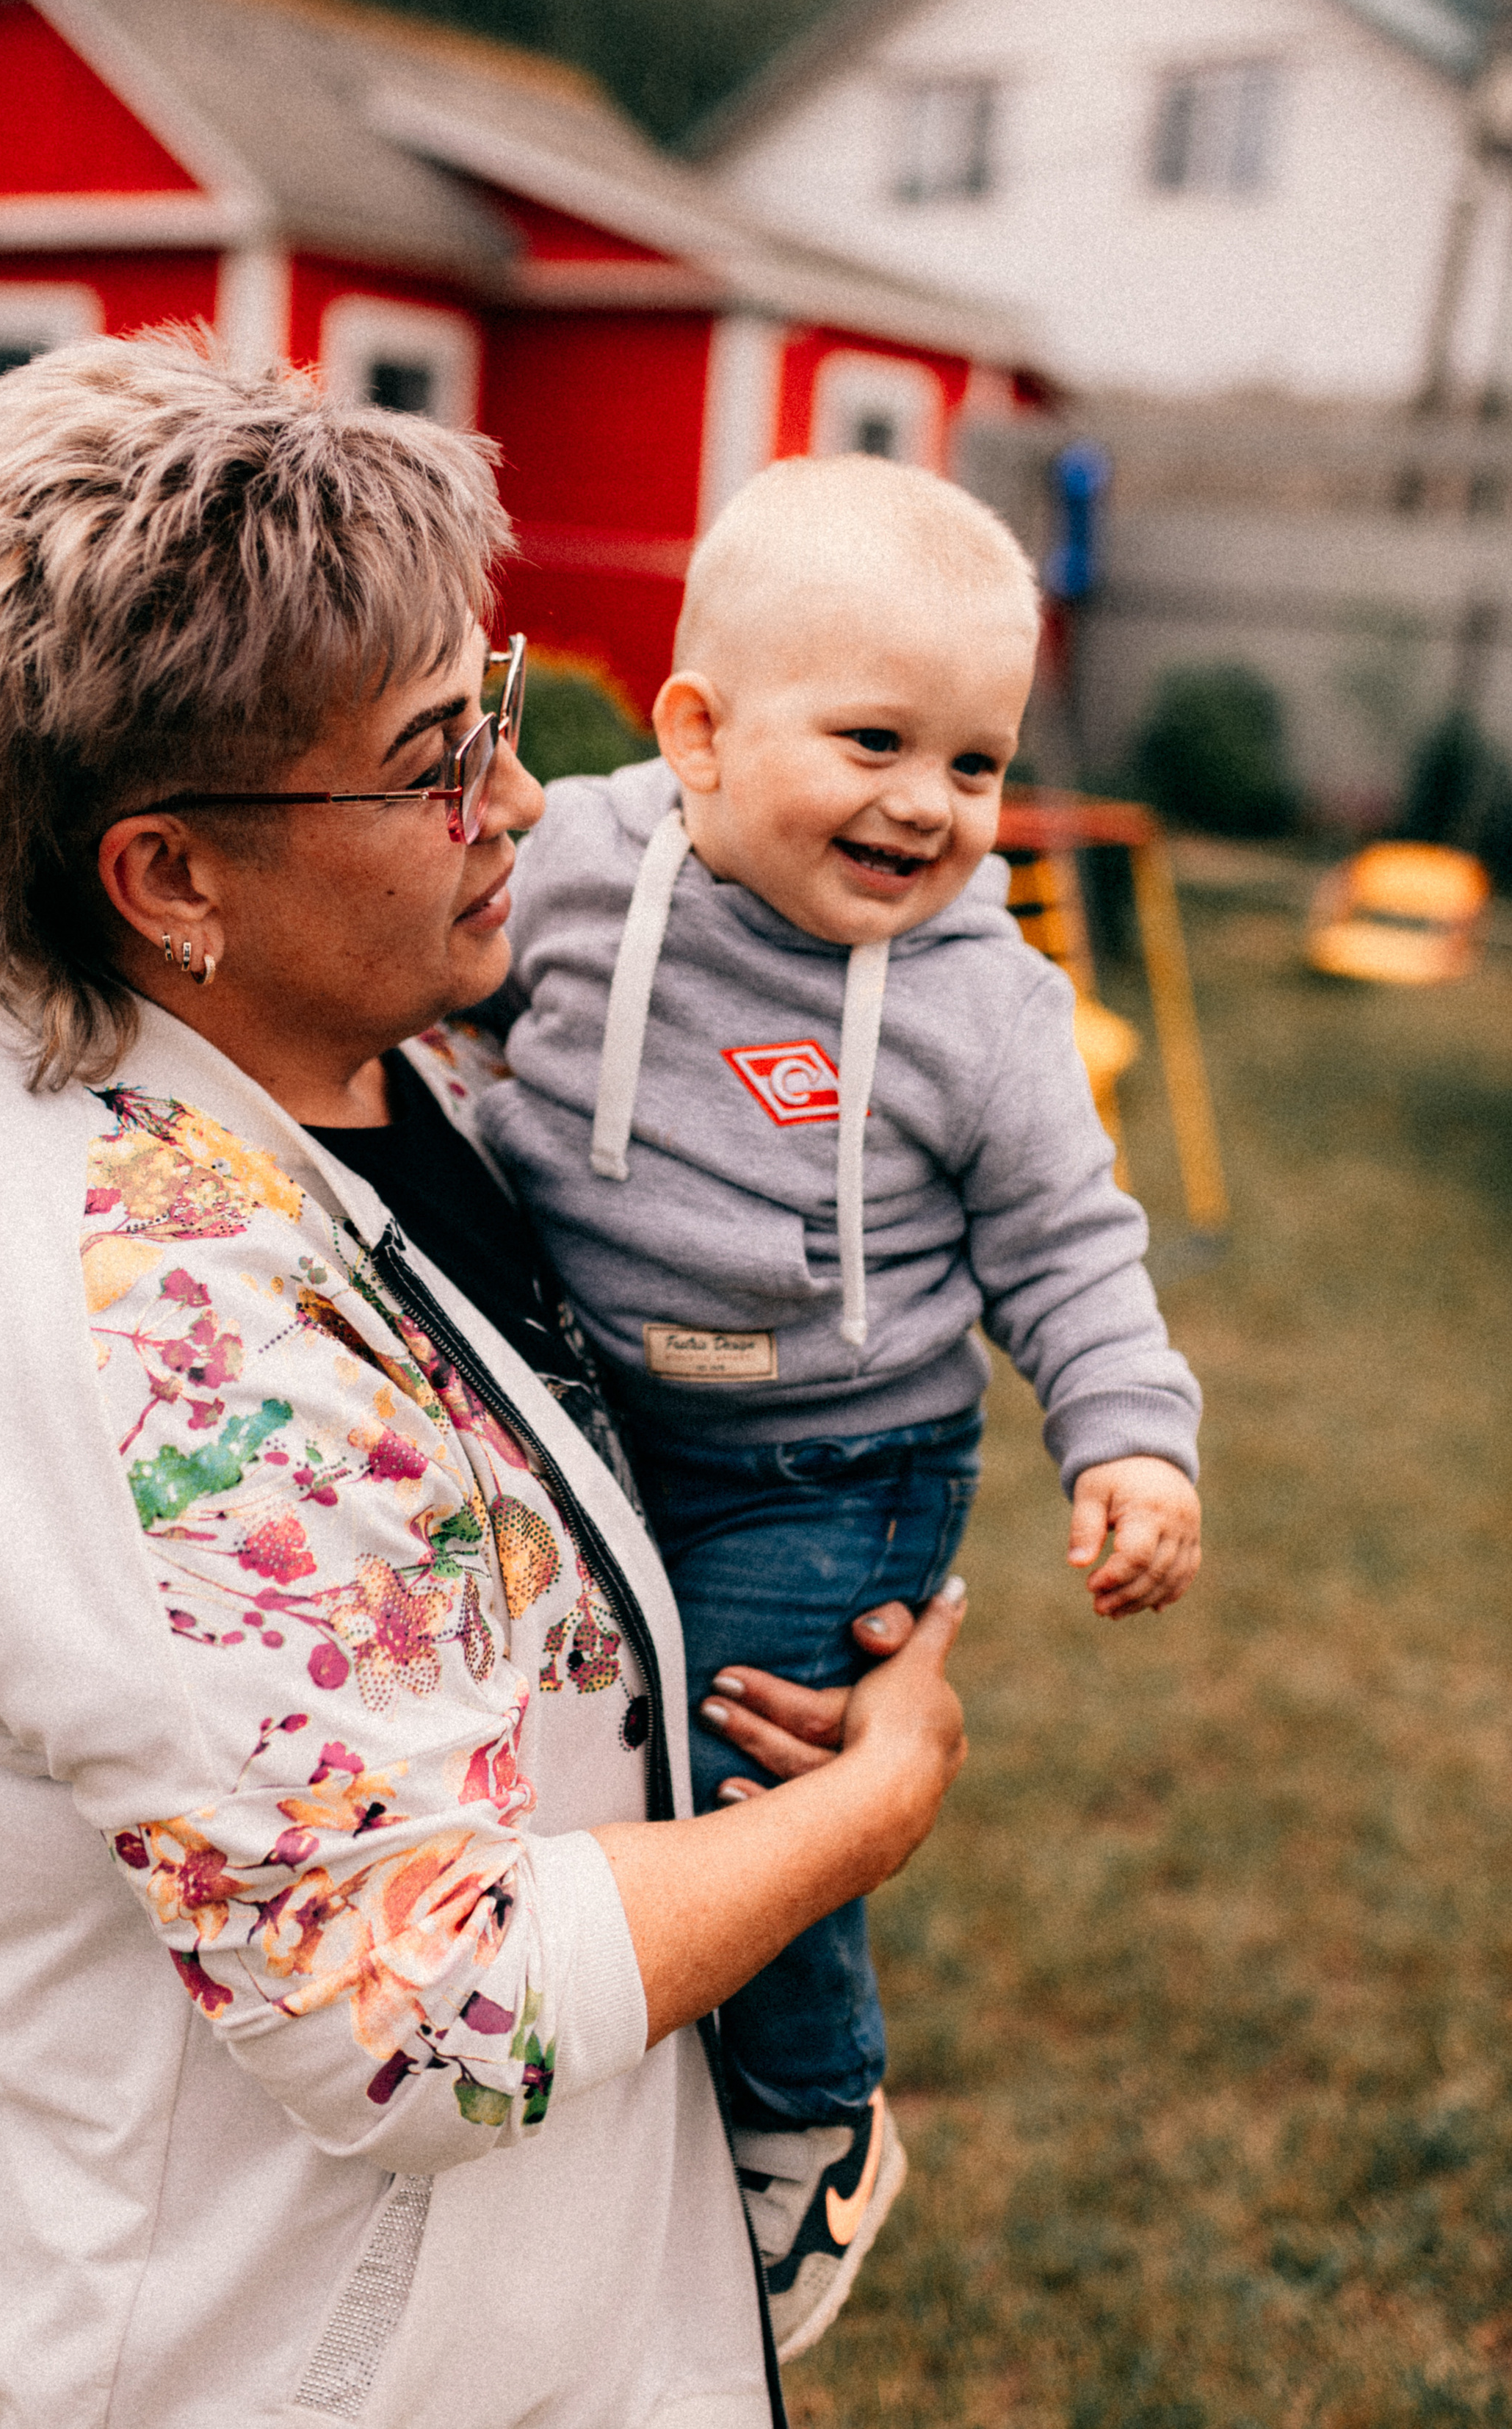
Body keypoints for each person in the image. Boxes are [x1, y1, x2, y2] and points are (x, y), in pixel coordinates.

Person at [0, 334, 972, 2429]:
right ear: (171, 879)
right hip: (294, 2367)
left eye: (500, 707)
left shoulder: (333, 1043)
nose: (521, 797)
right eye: (441, 756)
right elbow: (423, 2017)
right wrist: (865, 1813)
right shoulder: (152, 1333)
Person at [477, 452, 1204, 2338]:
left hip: (836, 1461)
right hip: (606, 1418)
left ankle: (812, 2121)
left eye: (972, 763)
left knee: (748, 1766)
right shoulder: (573, 862)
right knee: (579, 1767)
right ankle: (622, 2107)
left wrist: (1127, 1435)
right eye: (874, 739)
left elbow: (1065, 1241)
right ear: (698, 732)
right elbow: (470, 1024)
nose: (927, 806)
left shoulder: (982, 1006)